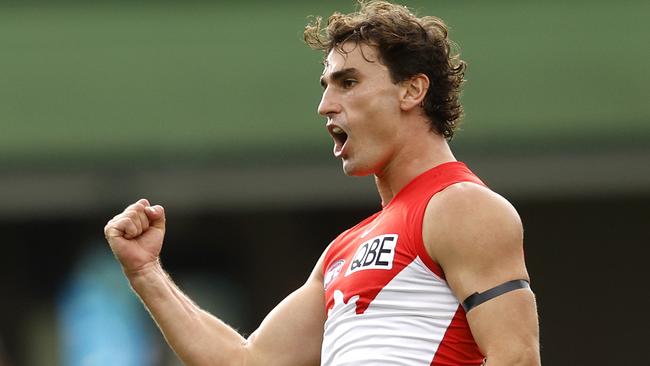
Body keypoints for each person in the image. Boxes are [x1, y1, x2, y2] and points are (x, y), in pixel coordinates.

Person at [104, 1, 540, 365]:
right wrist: (145, 272)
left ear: (412, 91)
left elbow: (516, 357)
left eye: (348, 82)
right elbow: (245, 361)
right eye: (327, 86)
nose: (324, 105)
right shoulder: (342, 251)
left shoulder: (461, 206)